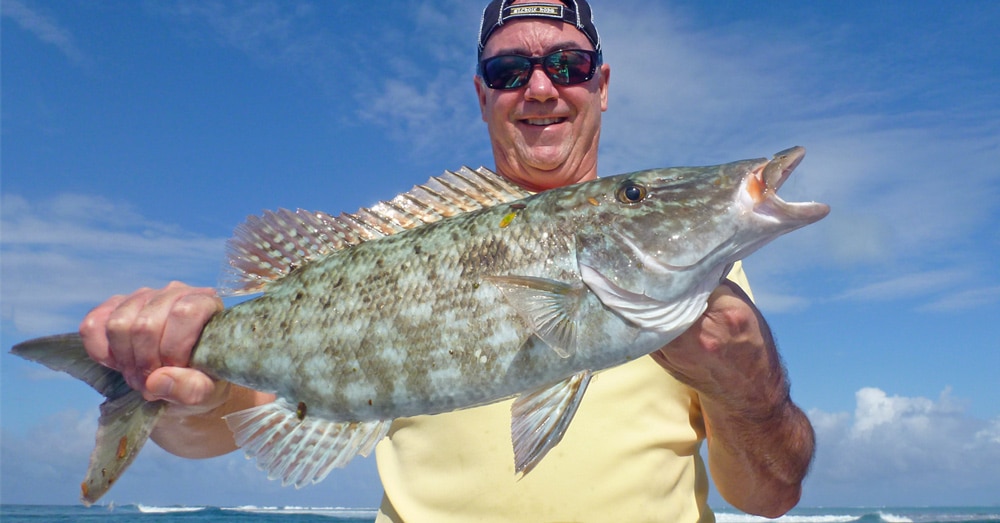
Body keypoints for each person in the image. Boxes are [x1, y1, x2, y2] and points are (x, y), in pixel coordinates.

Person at [79, 1, 814, 521]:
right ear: (482, 93)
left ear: (602, 84)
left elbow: (771, 498)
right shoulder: (389, 247)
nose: (541, 87)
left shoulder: (713, 288)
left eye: (568, 63)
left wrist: (755, 393)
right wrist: (184, 390)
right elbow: (227, 424)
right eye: (508, 70)